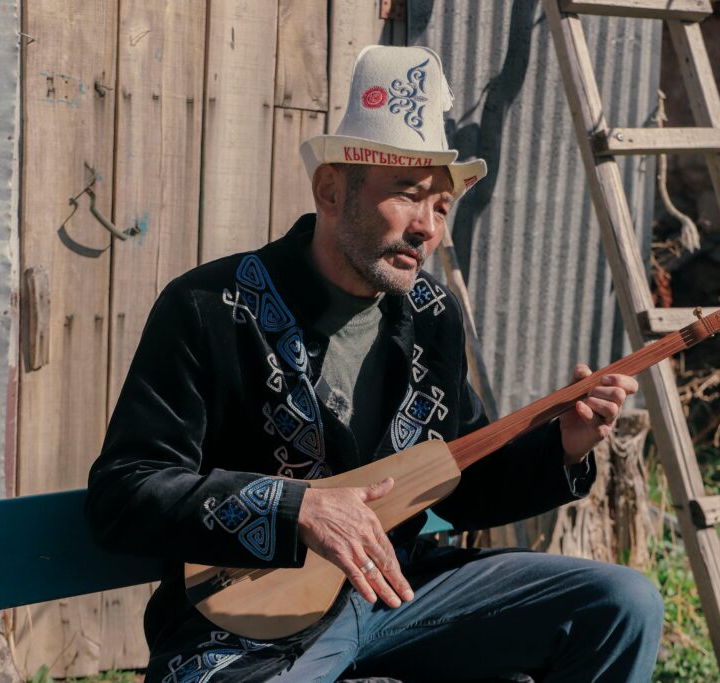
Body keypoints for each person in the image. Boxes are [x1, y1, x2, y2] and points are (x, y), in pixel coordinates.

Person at [85, 45, 663, 683]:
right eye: (408, 195)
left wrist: (565, 445)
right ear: (332, 190)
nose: (427, 227)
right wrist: (294, 508)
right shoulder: (210, 309)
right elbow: (124, 493)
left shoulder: (431, 316)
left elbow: (462, 481)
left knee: (620, 604)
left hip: (400, 588)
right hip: (253, 619)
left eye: (442, 206)